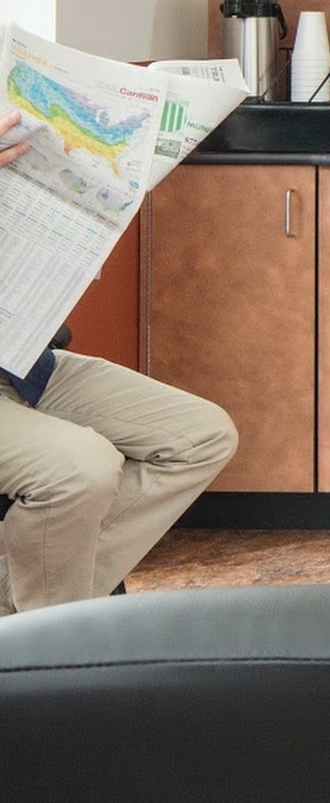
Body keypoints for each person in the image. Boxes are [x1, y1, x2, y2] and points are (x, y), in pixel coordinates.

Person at [0, 112, 238, 615]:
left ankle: (20, 609)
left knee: (201, 436)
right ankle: (51, 642)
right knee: (81, 466)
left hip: (22, 360)